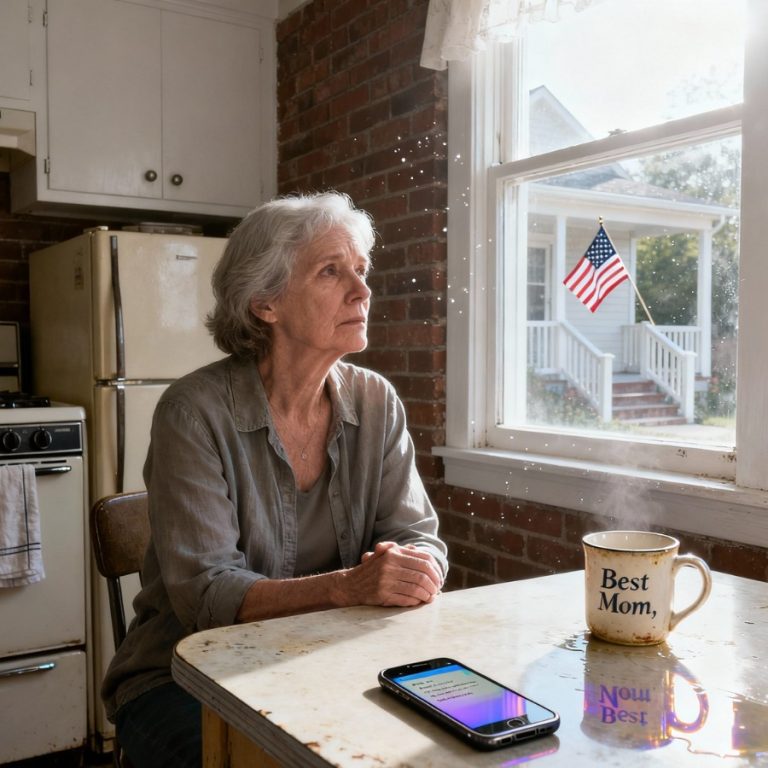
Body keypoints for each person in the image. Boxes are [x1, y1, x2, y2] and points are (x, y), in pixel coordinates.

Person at [102, 191, 448, 768]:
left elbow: (419, 537)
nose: (362, 291)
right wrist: (349, 587)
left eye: (361, 271)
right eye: (331, 272)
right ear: (266, 303)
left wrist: (417, 567)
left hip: (331, 664)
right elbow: (208, 594)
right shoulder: (193, 411)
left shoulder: (377, 402)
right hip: (185, 676)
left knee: (445, 746)